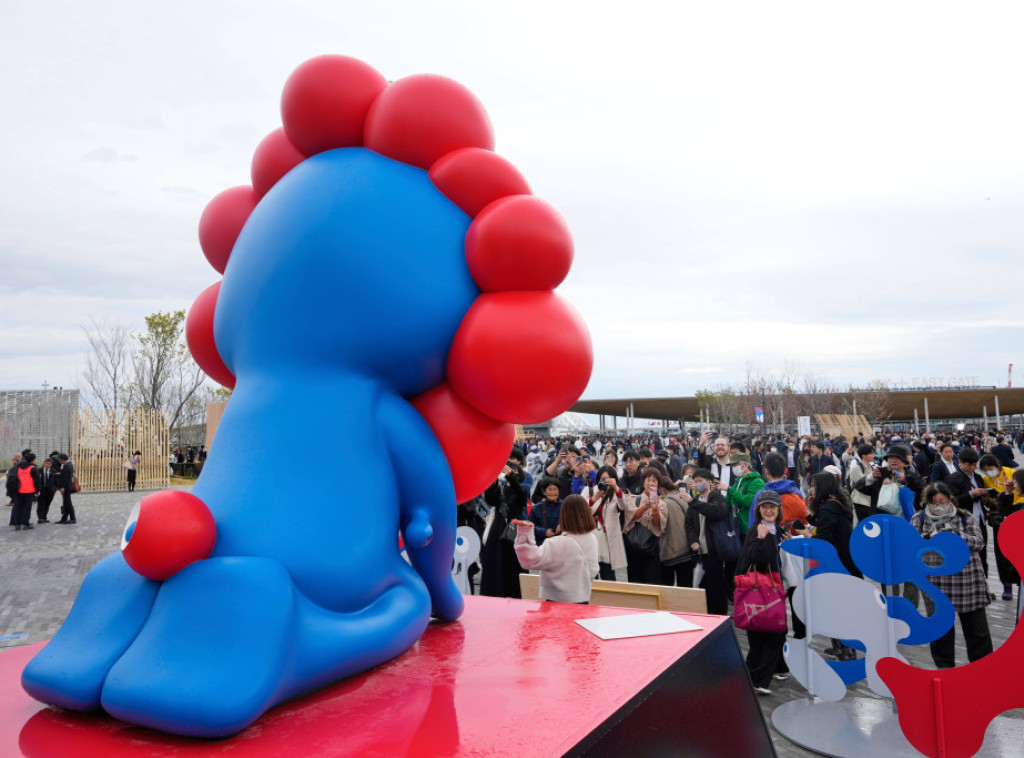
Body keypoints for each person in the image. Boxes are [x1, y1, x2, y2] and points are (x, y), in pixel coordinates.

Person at [911, 483, 993, 668]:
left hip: (968, 580)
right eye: (934, 502)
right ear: (927, 503)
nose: (939, 505)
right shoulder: (920, 517)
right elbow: (911, 545)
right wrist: (929, 538)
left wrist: (957, 537)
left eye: (943, 501)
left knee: (977, 630)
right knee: (940, 631)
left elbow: (979, 543)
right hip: (935, 583)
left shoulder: (964, 517)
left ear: (950, 499)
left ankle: (983, 668)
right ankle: (945, 669)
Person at [736, 489, 788, 694]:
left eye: (772, 507)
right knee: (769, 634)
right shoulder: (758, 530)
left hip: (769, 589)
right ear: (758, 509)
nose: (768, 510)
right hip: (760, 590)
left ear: (778, 509)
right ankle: (757, 679)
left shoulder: (776, 529)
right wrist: (759, 538)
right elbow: (756, 558)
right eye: (764, 507)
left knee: (766, 633)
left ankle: (757, 675)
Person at [512, 494, 599, 604]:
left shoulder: (557, 543)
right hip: (582, 600)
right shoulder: (592, 538)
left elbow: (529, 561)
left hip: (557, 602)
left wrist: (524, 532)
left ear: (564, 515)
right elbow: (594, 569)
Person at [480, 461, 529, 598]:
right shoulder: (501, 489)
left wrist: (511, 477)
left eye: (514, 470)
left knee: (513, 562)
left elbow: (521, 497)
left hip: (514, 528)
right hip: (498, 527)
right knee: (496, 560)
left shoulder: (523, 489)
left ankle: (515, 593)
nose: (509, 471)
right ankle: (495, 592)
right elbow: (489, 499)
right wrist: (493, 479)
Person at [684, 468, 730, 614]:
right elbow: (689, 524)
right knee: (700, 588)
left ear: (709, 483)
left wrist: (691, 501)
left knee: (717, 590)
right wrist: (693, 540)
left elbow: (716, 512)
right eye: (695, 482)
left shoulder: (717, 498)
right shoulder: (694, 502)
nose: (698, 484)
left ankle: (720, 618)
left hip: (714, 552)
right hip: (699, 552)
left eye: (701, 481)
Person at [980, 454, 1023, 600]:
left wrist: (1006, 493)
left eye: (990, 468)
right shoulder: (986, 479)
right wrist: (989, 499)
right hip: (998, 517)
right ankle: (1007, 585)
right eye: (985, 470)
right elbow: (989, 500)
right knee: (1001, 552)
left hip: (1016, 514)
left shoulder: (1011, 474)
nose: (988, 471)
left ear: (998, 465)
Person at [622, 469, 667, 584]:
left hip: (651, 547)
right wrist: (645, 507)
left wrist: (655, 509)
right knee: (634, 580)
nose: (651, 483)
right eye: (648, 480)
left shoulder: (662, 503)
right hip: (633, 546)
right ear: (643, 483)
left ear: (658, 485)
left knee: (652, 580)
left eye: (654, 481)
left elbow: (658, 524)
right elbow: (631, 517)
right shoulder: (633, 499)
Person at [583, 465, 627, 580]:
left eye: (608, 479)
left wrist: (616, 487)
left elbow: (624, 506)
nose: (605, 481)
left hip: (608, 541)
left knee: (609, 577)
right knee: (591, 577)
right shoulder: (590, 491)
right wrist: (594, 499)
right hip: (590, 538)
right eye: (602, 478)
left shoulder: (616, 494)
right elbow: (580, 508)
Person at [725, 453, 765, 536]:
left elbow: (749, 501)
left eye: (736, 465)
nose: (733, 468)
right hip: (737, 525)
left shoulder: (757, 482)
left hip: (749, 528)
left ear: (746, 464)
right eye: (732, 466)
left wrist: (729, 489)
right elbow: (731, 500)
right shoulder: (738, 481)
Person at [11, 452, 40, 530]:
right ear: (33, 460)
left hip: (19, 491)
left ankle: (17, 524)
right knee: (27, 508)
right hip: (29, 491)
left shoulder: (18, 467)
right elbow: (37, 481)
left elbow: (14, 478)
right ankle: (25, 524)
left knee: (18, 507)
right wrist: (38, 491)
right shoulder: (34, 468)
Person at [529, 477, 562, 545]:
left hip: (561, 543)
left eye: (555, 489)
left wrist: (564, 526)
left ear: (559, 491)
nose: (552, 492)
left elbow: (574, 523)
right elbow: (530, 526)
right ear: (544, 492)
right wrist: (544, 532)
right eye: (549, 489)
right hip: (542, 544)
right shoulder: (537, 508)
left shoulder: (566, 506)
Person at [56, 453, 76, 524]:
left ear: (62, 459)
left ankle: (73, 518)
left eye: (59, 459)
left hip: (66, 487)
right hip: (68, 486)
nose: (59, 461)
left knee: (68, 503)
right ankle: (64, 518)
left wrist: (62, 487)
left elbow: (65, 478)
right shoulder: (70, 464)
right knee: (66, 503)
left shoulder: (66, 466)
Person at [36, 457, 57, 523]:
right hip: (41, 490)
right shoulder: (39, 470)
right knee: (40, 504)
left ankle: (44, 517)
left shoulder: (53, 471)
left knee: (47, 504)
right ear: (44, 463)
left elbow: (56, 481)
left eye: (49, 464)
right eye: (47, 463)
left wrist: (54, 489)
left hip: (50, 491)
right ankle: (40, 518)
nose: (48, 465)